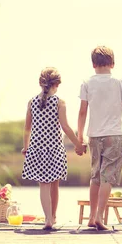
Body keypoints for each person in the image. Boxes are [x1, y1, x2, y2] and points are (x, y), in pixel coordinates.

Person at [77, 46, 122, 231]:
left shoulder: (87, 83)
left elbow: (82, 112)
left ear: (93, 64)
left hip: (94, 135)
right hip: (113, 135)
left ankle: (91, 217)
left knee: (95, 175)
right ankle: (99, 216)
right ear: (113, 63)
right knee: (108, 176)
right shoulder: (120, 82)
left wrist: (79, 136)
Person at [22, 67, 86, 230]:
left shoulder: (31, 102)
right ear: (56, 84)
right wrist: (78, 144)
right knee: (54, 183)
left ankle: (49, 218)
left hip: (37, 148)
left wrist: (25, 146)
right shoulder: (59, 102)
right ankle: (52, 217)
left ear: (40, 83)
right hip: (55, 148)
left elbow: (27, 128)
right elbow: (65, 127)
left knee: (44, 184)